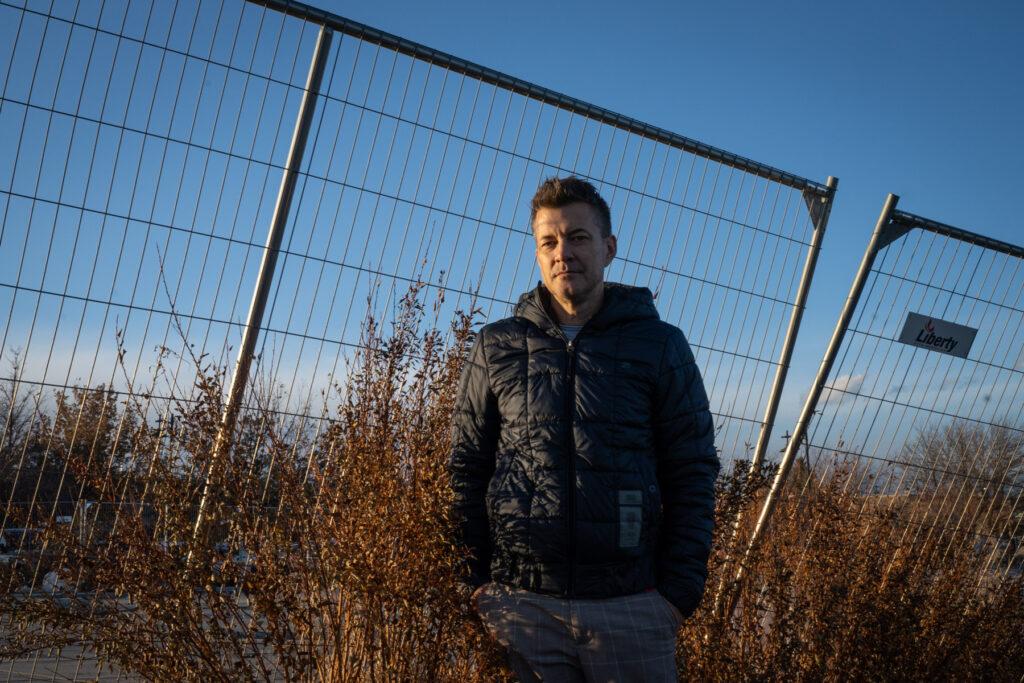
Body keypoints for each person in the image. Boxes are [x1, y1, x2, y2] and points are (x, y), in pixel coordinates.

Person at [449, 176, 719, 682]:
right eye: (549, 241)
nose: (563, 253)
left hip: (631, 608)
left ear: (608, 248)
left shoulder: (659, 346)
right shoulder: (496, 346)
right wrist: (477, 585)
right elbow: (467, 465)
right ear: (537, 253)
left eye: (578, 237)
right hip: (523, 607)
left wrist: (676, 595)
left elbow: (693, 468)